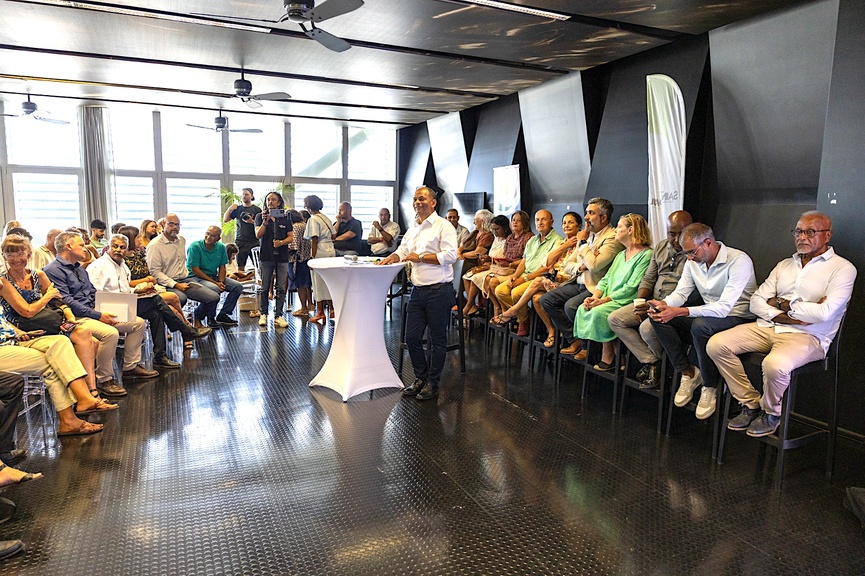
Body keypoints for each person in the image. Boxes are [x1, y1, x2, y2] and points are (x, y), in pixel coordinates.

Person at [707, 211, 856, 437]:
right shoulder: (785, 264)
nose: (802, 237)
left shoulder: (843, 268)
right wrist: (782, 312)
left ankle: (771, 413)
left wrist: (783, 303)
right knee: (716, 344)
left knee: (774, 365)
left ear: (827, 236)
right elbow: (756, 302)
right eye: (798, 231)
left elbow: (825, 313)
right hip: (769, 326)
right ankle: (750, 403)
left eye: (810, 232)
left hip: (809, 336)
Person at [648, 223, 757, 420]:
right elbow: (681, 292)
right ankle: (688, 372)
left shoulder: (739, 260)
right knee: (657, 317)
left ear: (708, 242)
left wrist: (679, 311)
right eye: (686, 253)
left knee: (700, 326)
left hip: (737, 316)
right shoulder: (693, 261)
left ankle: (710, 385)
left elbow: (724, 307)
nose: (689, 258)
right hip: (708, 315)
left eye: (691, 252)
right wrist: (665, 305)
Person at [45, 231, 157, 396]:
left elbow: (92, 292)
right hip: (74, 318)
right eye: (81, 245)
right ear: (68, 247)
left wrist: (103, 310)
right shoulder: (53, 270)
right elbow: (66, 301)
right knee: (110, 333)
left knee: (137, 323)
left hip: (92, 311)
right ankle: (104, 379)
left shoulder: (79, 269)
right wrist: (98, 315)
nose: (85, 249)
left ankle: (130, 367)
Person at [377, 186, 457, 401]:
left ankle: (433, 382)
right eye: (415, 199)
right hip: (418, 291)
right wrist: (391, 259)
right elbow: (403, 251)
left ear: (433, 202)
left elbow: (451, 256)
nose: (417, 203)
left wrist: (421, 257)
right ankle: (420, 377)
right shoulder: (413, 228)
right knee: (411, 337)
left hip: (439, 291)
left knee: (437, 340)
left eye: (422, 199)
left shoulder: (443, 226)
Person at [88, 234, 211, 370]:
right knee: (155, 300)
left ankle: (160, 356)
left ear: (127, 248)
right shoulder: (98, 267)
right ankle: (185, 330)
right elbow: (95, 295)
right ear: (108, 247)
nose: (118, 250)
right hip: (108, 309)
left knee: (156, 313)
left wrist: (138, 291)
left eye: (122, 247)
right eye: (115, 246)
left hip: (124, 303)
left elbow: (125, 289)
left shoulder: (122, 265)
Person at [0, 292, 113, 436]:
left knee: (60, 342)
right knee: (53, 362)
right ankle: (74, 412)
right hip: (3, 347)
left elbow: (4, 324)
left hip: (14, 340)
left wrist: (20, 333)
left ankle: (81, 401)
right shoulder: (4, 282)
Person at [0, 234, 100, 394]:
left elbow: (59, 301)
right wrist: (47, 296)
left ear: (28, 254)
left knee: (88, 337)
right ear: (4, 256)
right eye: (10, 254)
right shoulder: (3, 281)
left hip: (48, 321)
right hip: (25, 329)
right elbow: (26, 311)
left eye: (20, 253)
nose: (16, 259)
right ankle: (85, 393)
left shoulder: (38, 275)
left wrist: (70, 317)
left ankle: (89, 391)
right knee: (88, 340)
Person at [607, 210, 693, 388]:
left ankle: (663, 370)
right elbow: (648, 279)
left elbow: (690, 293)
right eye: (672, 234)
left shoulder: (694, 252)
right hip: (652, 301)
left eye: (681, 234)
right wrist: (640, 303)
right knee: (615, 319)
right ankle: (653, 362)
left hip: (676, 307)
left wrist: (657, 307)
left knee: (647, 328)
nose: (676, 239)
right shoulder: (661, 247)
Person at [540, 197, 623, 358]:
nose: (586, 217)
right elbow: (568, 265)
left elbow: (595, 265)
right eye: (586, 213)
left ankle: (589, 348)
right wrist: (582, 266)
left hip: (596, 286)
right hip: (578, 282)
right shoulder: (588, 235)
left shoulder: (611, 237)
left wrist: (583, 244)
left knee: (571, 307)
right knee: (546, 300)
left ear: (603, 217)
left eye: (591, 213)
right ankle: (575, 340)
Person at [575, 214, 653, 370]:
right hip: (608, 298)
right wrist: (595, 296)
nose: (616, 230)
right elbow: (605, 279)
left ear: (630, 230)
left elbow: (632, 287)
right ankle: (615, 352)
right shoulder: (620, 255)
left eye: (619, 227)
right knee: (582, 308)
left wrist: (603, 301)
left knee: (599, 313)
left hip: (626, 300)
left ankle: (609, 355)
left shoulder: (646, 255)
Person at [494, 212, 582, 347]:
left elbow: (548, 268)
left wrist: (524, 278)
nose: (566, 225)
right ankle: (527, 318)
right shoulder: (560, 242)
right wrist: (516, 276)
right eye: (564, 223)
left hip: (566, 282)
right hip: (553, 280)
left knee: (523, 290)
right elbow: (547, 262)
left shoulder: (580, 243)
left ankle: (515, 312)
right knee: (504, 291)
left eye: (570, 222)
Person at [117, 225, 204, 351]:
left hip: (146, 289)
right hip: (134, 294)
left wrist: (149, 281)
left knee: (168, 307)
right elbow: (127, 283)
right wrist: (146, 280)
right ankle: (187, 329)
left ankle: (186, 332)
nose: (141, 239)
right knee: (173, 298)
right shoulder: (122, 260)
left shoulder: (139, 254)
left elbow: (150, 272)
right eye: (137, 237)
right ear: (129, 239)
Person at [146, 214, 232, 329]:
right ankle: (182, 330)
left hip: (185, 279)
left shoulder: (181, 240)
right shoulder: (155, 245)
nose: (175, 227)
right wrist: (176, 284)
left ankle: (197, 317)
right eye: (171, 224)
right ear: (163, 224)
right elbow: (155, 273)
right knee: (182, 298)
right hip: (166, 283)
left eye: (177, 224)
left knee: (213, 297)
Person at [186, 226, 243, 327]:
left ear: (218, 238)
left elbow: (222, 267)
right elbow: (195, 269)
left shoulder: (220, 247)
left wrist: (220, 281)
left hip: (213, 276)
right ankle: (206, 316)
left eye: (213, 236)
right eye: (207, 233)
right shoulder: (195, 246)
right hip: (195, 277)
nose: (208, 237)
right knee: (215, 289)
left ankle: (223, 314)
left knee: (237, 287)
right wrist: (216, 283)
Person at [255, 192, 293, 328]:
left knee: (281, 287)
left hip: (282, 256)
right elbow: (258, 234)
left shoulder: (285, 217)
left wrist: (281, 242)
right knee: (265, 286)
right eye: (268, 199)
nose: (270, 202)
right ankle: (263, 313)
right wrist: (265, 223)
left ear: (279, 202)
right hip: (266, 256)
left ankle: (278, 315)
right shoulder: (260, 217)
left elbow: (291, 237)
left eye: (273, 200)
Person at [487, 211, 533, 319]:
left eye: (519, 220)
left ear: (525, 223)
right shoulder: (510, 238)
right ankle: (509, 311)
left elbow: (525, 260)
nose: (515, 223)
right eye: (513, 220)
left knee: (493, 282)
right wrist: (502, 262)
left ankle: (511, 313)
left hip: (518, 270)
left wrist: (510, 264)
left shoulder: (529, 237)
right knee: (487, 280)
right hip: (506, 269)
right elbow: (506, 256)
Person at [462, 214, 510, 317]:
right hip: (492, 266)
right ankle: (471, 306)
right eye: (493, 229)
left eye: (497, 229)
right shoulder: (496, 239)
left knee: (480, 279)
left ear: (505, 228)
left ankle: (471, 305)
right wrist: (486, 259)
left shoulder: (508, 240)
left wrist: (490, 259)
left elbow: (507, 259)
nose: (495, 232)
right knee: (467, 275)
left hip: (503, 269)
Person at [303, 195, 336, 324]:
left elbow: (314, 239)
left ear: (309, 206)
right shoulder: (325, 217)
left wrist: (312, 258)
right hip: (330, 250)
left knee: (318, 283)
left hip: (320, 251)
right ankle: (332, 309)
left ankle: (320, 312)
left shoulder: (313, 219)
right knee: (329, 281)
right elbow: (334, 234)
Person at [223, 187, 262, 270]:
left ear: (251, 196)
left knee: (258, 266)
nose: (244, 196)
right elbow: (226, 220)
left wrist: (251, 221)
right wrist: (230, 208)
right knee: (240, 266)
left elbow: (262, 225)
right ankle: (241, 281)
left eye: (247, 194)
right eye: (243, 194)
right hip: (240, 241)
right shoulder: (238, 209)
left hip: (254, 241)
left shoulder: (257, 209)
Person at [456, 209, 494, 294]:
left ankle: (469, 304)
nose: (473, 222)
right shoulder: (475, 232)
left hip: (477, 262)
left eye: (476, 220)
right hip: (465, 259)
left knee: (461, 271)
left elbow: (477, 254)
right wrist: (458, 252)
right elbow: (462, 244)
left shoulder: (488, 236)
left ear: (482, 221)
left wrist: (462, 255)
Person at [286, 209, 314, 317]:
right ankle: (310, 304)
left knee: (300, 285)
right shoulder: (304, 225)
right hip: (306, 258)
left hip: (297, 259)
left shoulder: (296, 227)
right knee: (306, 284)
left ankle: (304, 308)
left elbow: (294, 245)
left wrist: (281, 245)